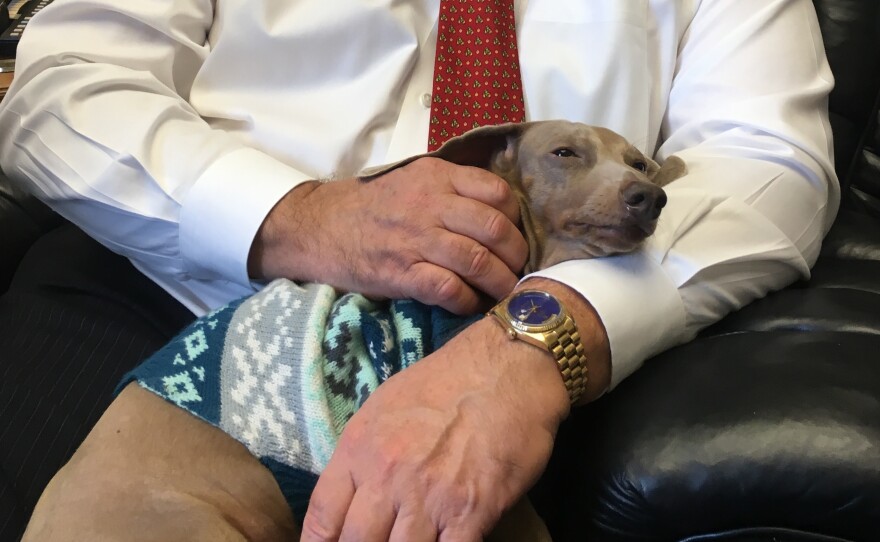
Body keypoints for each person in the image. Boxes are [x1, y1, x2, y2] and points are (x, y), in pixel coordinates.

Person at [0, 0, 839, 540]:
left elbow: (769, 163)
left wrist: (540, 339)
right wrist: (297, 214)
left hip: (536, 336)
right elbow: (64, 88)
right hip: (172, 280)